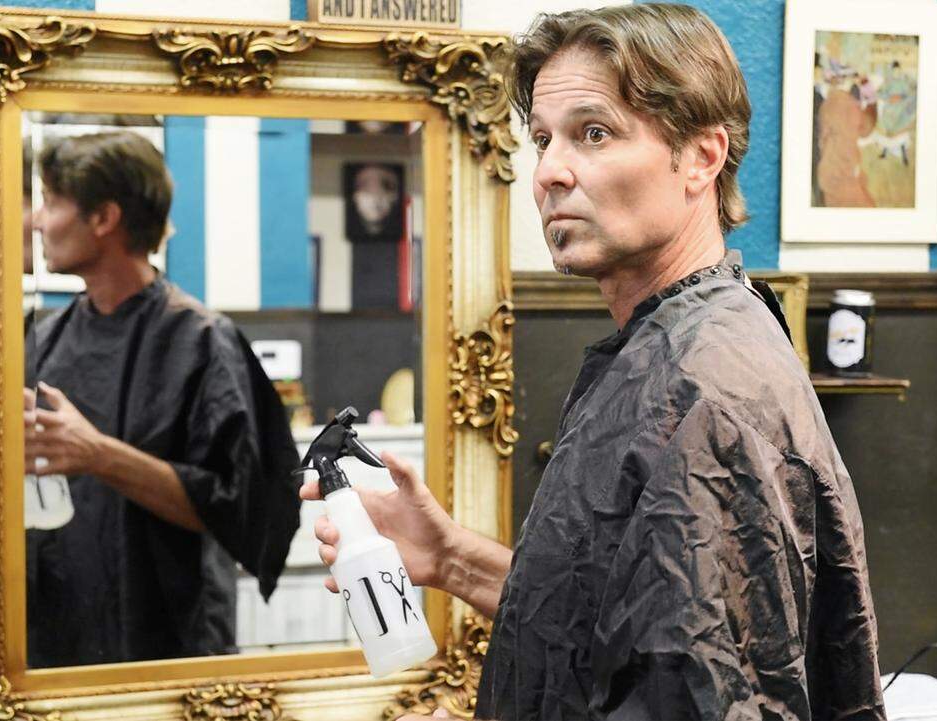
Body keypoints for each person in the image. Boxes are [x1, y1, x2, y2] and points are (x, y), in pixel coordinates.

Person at [301, 5, 885, 719]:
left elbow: (708, 692)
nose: (548, 172)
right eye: (543, 139)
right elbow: (619, 625)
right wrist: (452, 558)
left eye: (594, 133)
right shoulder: (667, 343)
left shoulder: (704, 389)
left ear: (702, 156)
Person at [25, 130, 301, 667]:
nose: (38, 221)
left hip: (170, 644)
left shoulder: (202, 342)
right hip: (59, 645)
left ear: (103, 218)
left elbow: (239, 509)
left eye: (52, 203)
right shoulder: (43, 338)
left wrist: (99, 455)